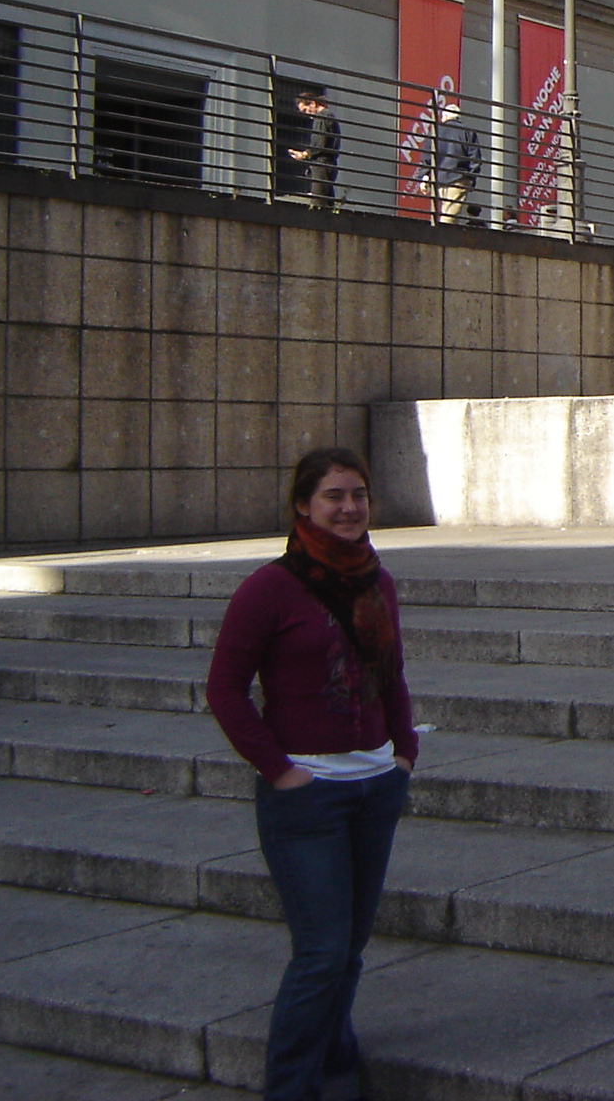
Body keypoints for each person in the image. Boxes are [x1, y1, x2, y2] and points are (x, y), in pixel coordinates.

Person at [206, 449, 417, 1101]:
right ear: (303, 506)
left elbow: (390, 674)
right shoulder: (270, 588)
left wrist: (404, 750)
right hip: (309, 796)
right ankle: (293, 1085)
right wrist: (280, 770)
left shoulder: (376, 580)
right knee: (322, 952)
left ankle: (336, 1066)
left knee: (348, 949)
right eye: (334, 496)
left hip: (375, 783)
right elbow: (225, 690)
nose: (350, 507)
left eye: (358, 494)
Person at [277, 87, 341, 207]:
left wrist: (305, 154)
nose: (307, 114)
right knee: (326, 200)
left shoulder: (322, 117)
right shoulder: (329, 117)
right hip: (328, 165)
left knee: (319, 203)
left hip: (322, 165)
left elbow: (319, 143)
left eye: (306, 110)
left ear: (312, 103)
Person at [429, 95, 480, 225]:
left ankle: (438, 235)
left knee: (440, 211)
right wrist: (471, 177)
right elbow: (475, 157)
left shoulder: (436, 131)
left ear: (444, 116)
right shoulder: (468, 132)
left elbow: (427, 155)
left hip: (439, 177)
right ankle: (441, 239)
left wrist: (424, 175)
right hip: (459, 177)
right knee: (449, 215)